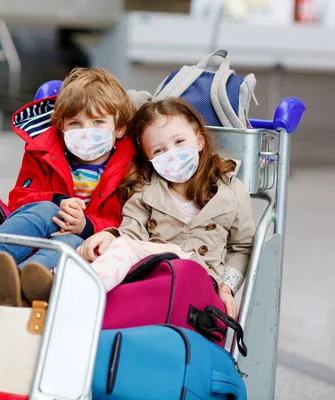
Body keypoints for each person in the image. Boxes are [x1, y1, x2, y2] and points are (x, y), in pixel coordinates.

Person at [0, 67, 137, 305]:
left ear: (120, 128)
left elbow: (129, 221)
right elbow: (19, 200)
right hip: (37, 229)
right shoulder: (44, 151)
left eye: (98, 122)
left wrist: (86, 226)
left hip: (85, 240)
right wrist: (57, 201)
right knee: (48, 210)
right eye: (75, 123)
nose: (86, 131)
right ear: (61, 126)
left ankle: (7, 284)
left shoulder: (130, 166)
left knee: (71, 245)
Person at [77, 98, 256, 318]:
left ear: (199, 140)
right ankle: (59, 282)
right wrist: (110, 237)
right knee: (106, 250)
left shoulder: (230, 190)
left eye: (180, 141)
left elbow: (242, 247)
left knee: (128, 248)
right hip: (154, 280)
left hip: (203, 282)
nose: (171, 153)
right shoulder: (145, 191)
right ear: (149, 158)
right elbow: (131, 233)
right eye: (159, 151)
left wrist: (227, 288)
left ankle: (74, 291)